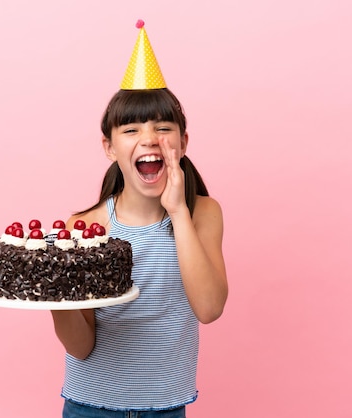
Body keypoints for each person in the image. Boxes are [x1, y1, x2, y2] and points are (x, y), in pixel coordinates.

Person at [50, 21, 228, 418]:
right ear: (109, 147)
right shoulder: (85, 227)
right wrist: (55, 295)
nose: (150, 139)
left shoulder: (202, 212)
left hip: (166, 408)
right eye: (131, 129)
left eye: (164, 128)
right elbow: (81, 346)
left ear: (182, 144)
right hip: (89, 407)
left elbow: (209, 308)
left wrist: (178, 210)